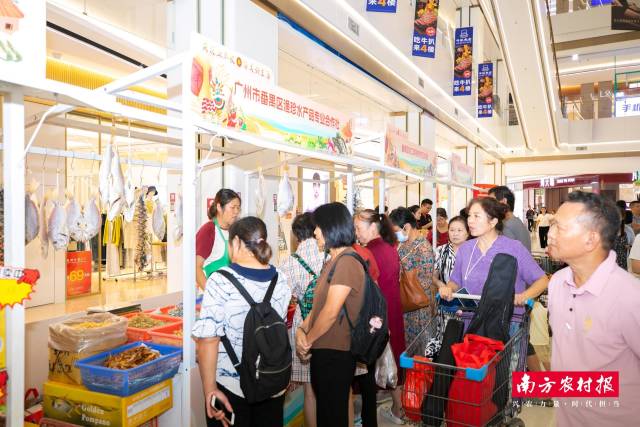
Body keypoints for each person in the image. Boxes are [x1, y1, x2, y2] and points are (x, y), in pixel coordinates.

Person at [546, 191, 640, 426]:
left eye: (560, 228)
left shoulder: (629, 296)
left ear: (591, 239)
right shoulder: (557, 282)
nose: (550, 234)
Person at [193, 217, 291, 427]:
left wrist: (210, 390)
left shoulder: (220, 280)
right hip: (272, 381)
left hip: (232, 387)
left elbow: (208, 340)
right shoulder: (281, 279)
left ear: (236, 242)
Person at [295, 202, 366, 427]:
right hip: (324, 349)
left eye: (318, 227)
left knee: (332, 415)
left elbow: (330, 312)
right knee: (326, 412)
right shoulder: (332, 260)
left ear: (331, 227)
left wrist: (307, 340)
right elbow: (318, 307)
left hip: (337, 351)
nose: (315, 232)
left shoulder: (347, 262)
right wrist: (302, 330)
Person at [440, 197, 549, 306]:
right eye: (469, 215)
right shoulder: (465, 248)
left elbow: (542, 280)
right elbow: (455, 281)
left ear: (493, 222)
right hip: (471, 315)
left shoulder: (514, 248)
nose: (470, 220)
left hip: (507, 315)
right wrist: (448, 288)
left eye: (476, 216)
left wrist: (524, 296)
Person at [354, 209, 406, 425]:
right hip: (392, 310)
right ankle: (398, 407)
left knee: (375, 362)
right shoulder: (390, 248)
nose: (356, 233)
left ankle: (391, 408)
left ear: (373, 227)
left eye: (359, 228)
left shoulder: (367, 253)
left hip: (377, 315)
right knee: (392, 360)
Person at [279, 213, 324, 427]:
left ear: (296, 236)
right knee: (338, 388)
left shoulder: (290, 262)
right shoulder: (329, 253)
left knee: (310, 390)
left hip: (303, 326)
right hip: (330, 320)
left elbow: (281, 300)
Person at [389, 207, 436, 345]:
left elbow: (425, 282)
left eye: (396, 230)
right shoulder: (403, 244)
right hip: (405, 303)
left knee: (419, 347)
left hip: (418, 305)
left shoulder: (423, 248)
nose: (395, 235)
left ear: (407, 227)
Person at [196, 189, 241, 289]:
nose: (236, 212)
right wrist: (210, 294)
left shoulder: (235, 231)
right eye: (232, 207)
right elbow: (196, 267)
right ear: (219, 207)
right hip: (212, 293)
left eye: (238, 208)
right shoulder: (209, 230)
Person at [488, 185, 531, 251]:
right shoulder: (515, 222)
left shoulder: (507, 225)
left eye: (492, 202)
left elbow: (505, 254)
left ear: (504, 201)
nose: (489, 206)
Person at [432, 216, 470, 289]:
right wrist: (439, 284)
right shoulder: (440, 250)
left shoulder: (474, 251)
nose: (455, 234)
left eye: (459, 230)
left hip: (469, 295)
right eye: (452, 230)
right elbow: (433, 275)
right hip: (446, 293)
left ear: (468, 233)